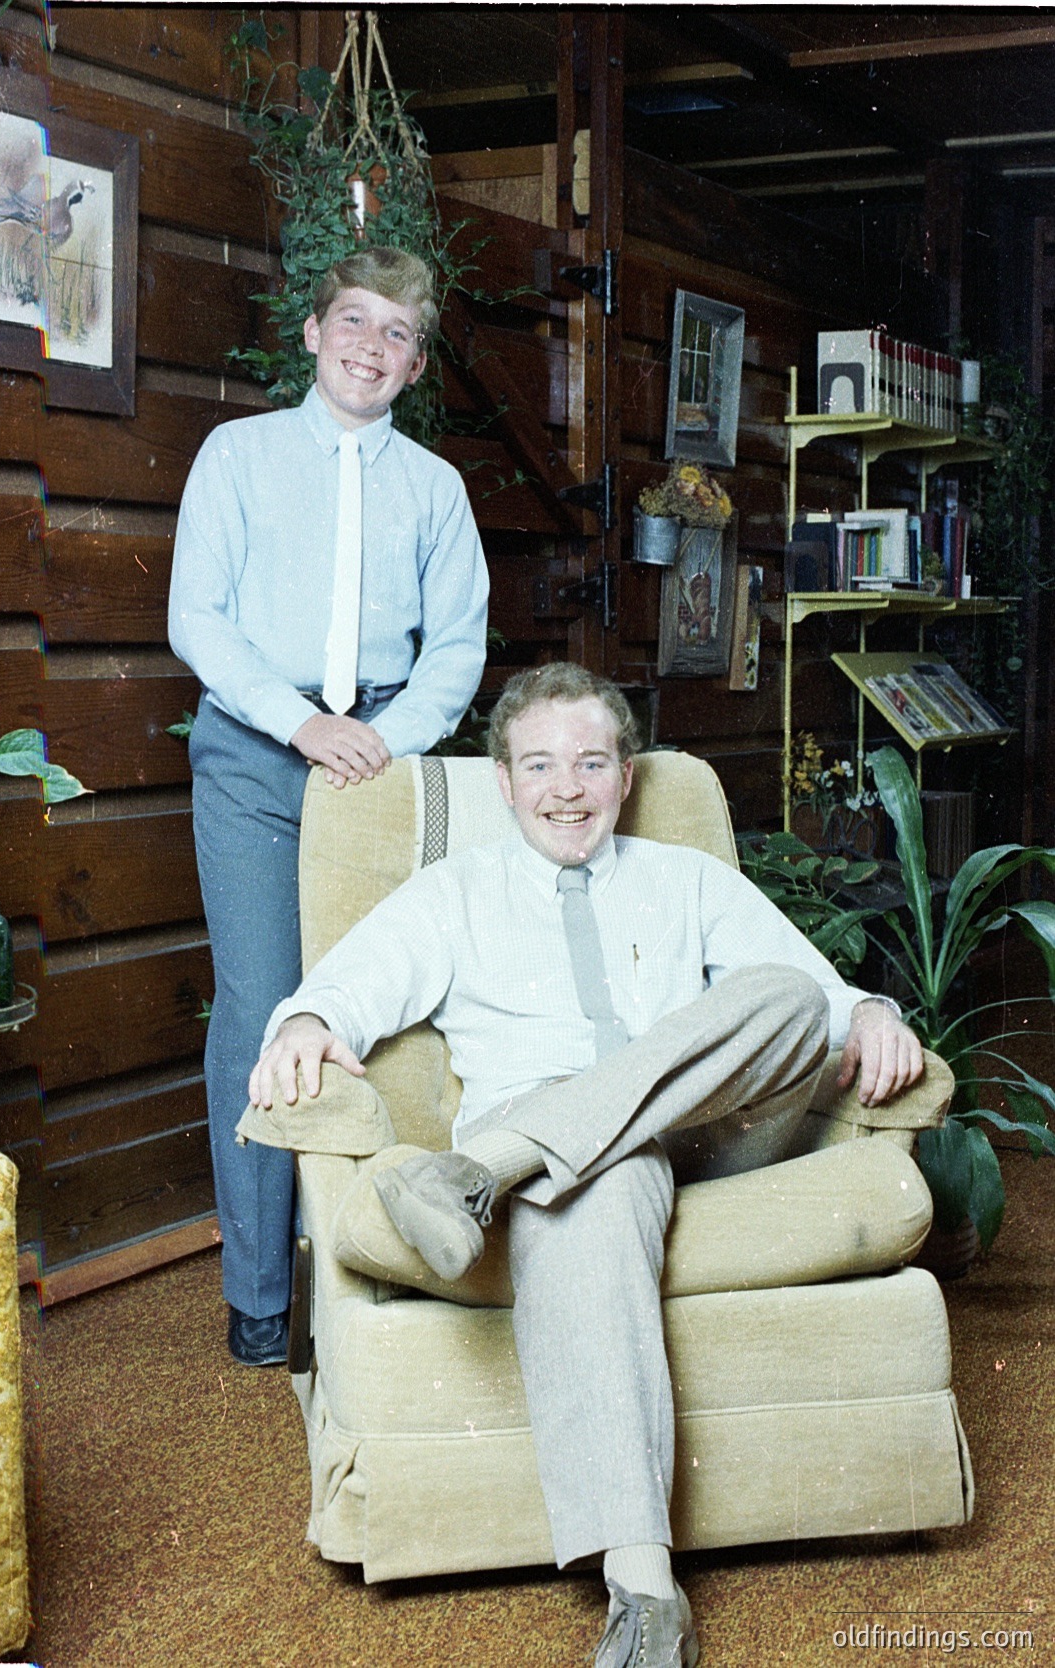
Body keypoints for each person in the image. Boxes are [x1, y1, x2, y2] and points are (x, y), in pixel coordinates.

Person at [249, 662, 923, 1667]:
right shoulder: (452, 894)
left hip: (704, 1128)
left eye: (591, 762)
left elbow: (808, 1001)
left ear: (624, 776)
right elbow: (345, 985)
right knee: (594, 1188)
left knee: (778, 992)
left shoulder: (687, 880)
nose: (566, 787)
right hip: (587, 1162)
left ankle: (483, 1170)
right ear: (505, 782)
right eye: (539, 765)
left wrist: (868, 1009)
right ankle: (645, 1597)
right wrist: (303, 1019)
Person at [169, 246, 488, 1367]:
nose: (371, 347)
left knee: (380, 1005)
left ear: (414, 363)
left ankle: (369, 1266)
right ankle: (262, 1294)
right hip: (257, 754)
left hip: (384, 764)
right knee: (263, 1005)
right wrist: (297, 725)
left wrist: (379, 747)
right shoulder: (236, 456)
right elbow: (199, 619)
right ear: (311, 333)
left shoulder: (434, 491)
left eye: (398, 334)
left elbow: (455, 652)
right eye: (353, 322)